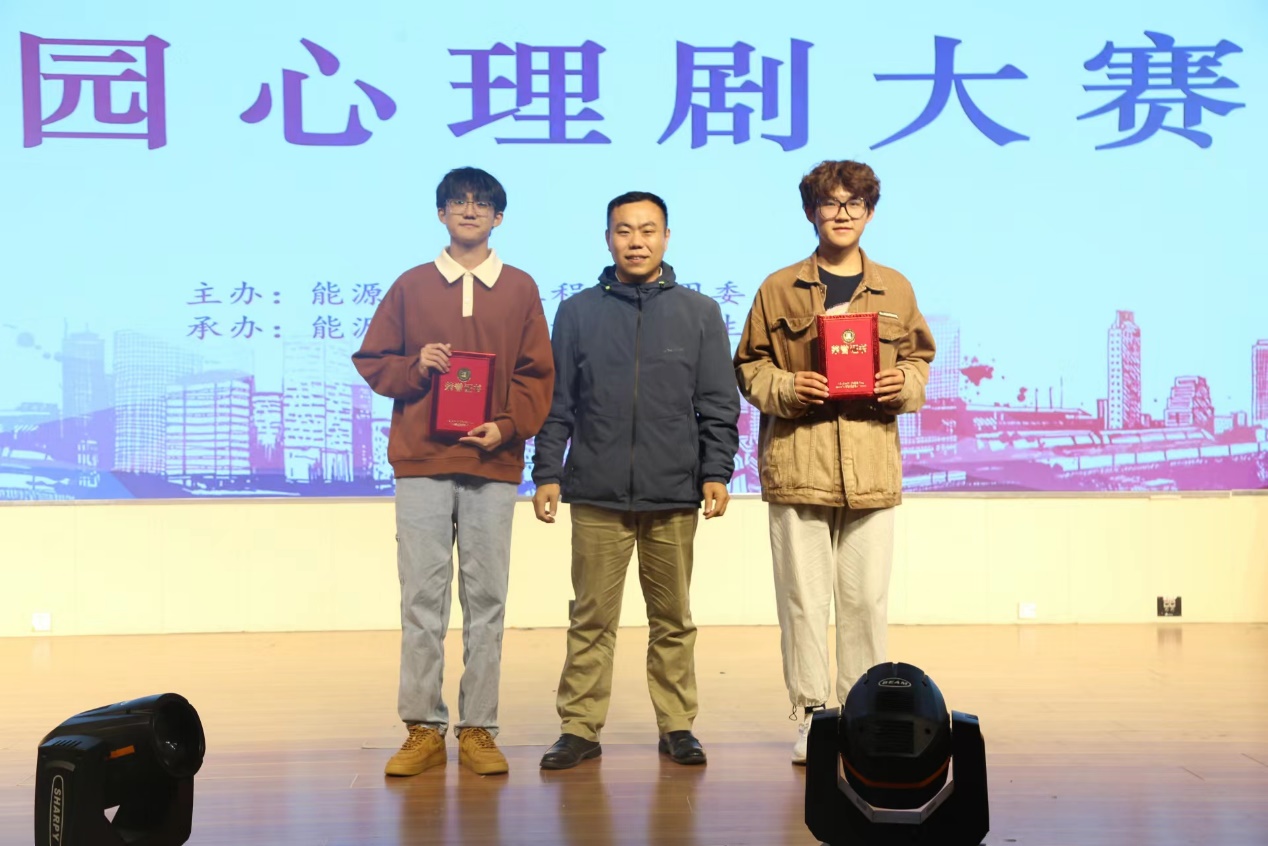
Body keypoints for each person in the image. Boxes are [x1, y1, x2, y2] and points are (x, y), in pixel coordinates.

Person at [351, 167, 554, 776]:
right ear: (440, 213)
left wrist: (507, 426)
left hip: (493, 462)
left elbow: (537, 375)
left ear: (499, 218)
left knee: (487, 599)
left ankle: (480, 728)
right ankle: (422, 726)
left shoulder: (519, 288)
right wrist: (418, 365)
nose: (469, 210)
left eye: (482, 203)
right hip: (421, 461)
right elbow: (373, 360)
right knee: (422, 599)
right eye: (458, 202)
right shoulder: (412, 285)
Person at [732, 160, 935, 764]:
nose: (842, 213)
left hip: (871, 468)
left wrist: (904, 384)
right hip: (800, 465)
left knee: (866, 603)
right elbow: (749, 367)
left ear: (869, 212)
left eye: (854, 203)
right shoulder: (778, 288)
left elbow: (920, 362)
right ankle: (814, 717)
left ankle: (861, 716)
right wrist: (789, 387)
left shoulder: (896, 289)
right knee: (802, 601)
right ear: (810, 211)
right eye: (830, 202)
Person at [531, 191, 740, 769]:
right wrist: (547, 471)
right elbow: (557, 402)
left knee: (672, 619)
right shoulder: (577, 313)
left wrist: (716, 470)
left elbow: (717, 402)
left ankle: (677, 725)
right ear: (608, 239)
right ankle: (579, 728)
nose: (636, 241)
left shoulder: (700, 312)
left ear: (666, 237)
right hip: (596, 493)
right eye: (624, 230)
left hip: (672, 491)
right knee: (590, 617)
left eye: (648, 230)